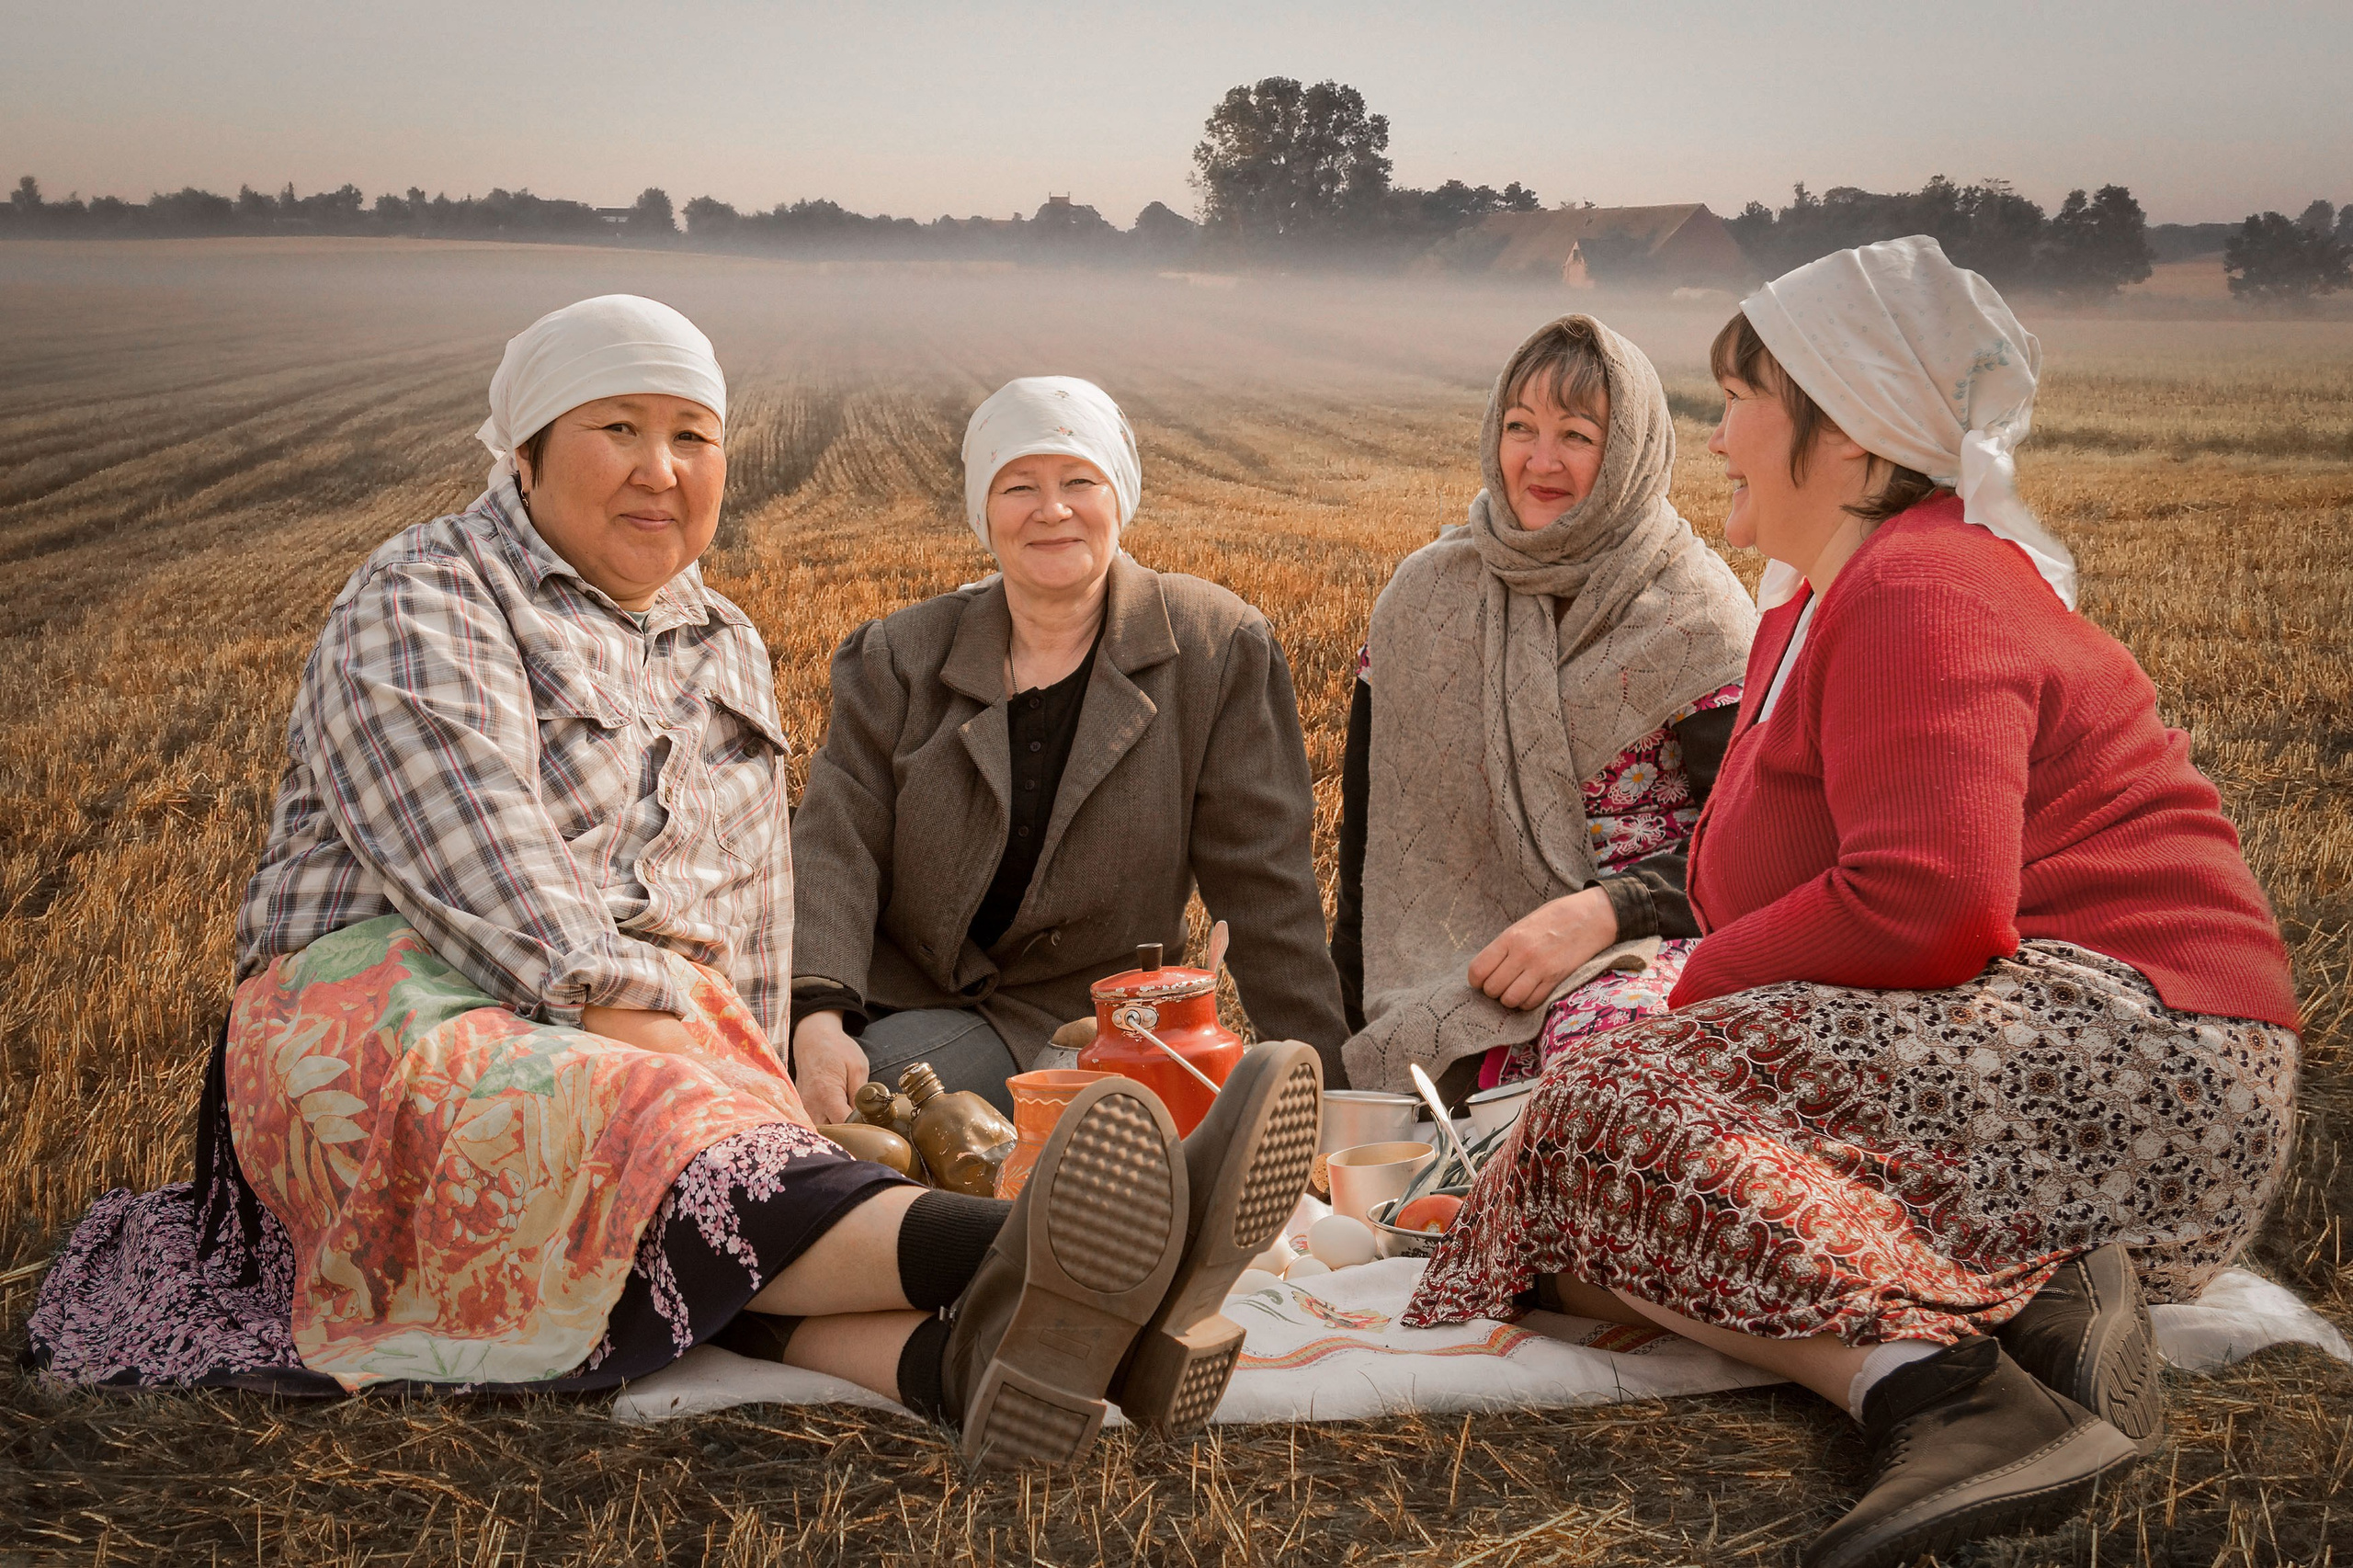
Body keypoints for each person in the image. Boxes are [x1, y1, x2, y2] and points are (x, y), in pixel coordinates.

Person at [25, 298, 1324, 1466]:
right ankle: (1057, 1257)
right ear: (524, 453)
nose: (662, 469)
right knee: (653, 1122)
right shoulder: (425, 594)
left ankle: (956, 1359)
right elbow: (487, 866)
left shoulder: (725, 642)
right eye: (620, 429)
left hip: (639, 1032)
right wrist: (685, 1053)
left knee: (698, 1157)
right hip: (392, 1014)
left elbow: (754, 899)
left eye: (694, 436)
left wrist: (757, 1064)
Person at [1404, 238, 2302, 1567]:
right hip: (2054, 1061)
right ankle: (2038, 1311)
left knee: (1601, 1119)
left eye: (1743, 402)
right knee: (1539, 1210)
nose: (1718, 441)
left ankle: (1950, 1392)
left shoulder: (1923, 583)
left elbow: (1927, 903)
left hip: (2146, 1052)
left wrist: (1694, 1002)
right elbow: (1758, 887)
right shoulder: (1815, 608)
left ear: (1851, 431)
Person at [788, 376, 1347, 1122]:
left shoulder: (1213, 649)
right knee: (746, 1083)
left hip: (1084, 1025)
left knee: (861, 1108)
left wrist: (1328, 1099)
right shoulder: (901, 655)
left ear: (1119, 494)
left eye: (1079, 480)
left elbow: (1265, 889)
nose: (1051, 510)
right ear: (983, 512)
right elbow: (837, 843)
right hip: (886, 996)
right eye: (1018, 485)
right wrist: (816, 1016)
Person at [1333, 315, 1756, 1097]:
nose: (1541, 460)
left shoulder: (1699, 616)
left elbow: (1751, 841)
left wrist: (1609, 910)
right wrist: (1338, 1038)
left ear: (1631, 449)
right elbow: (1373, 852)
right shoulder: (1425, 601)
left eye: (1578, 434)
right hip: (1458, 967)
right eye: (1520, 426)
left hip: (1645, 942)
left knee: (1604, 1062)